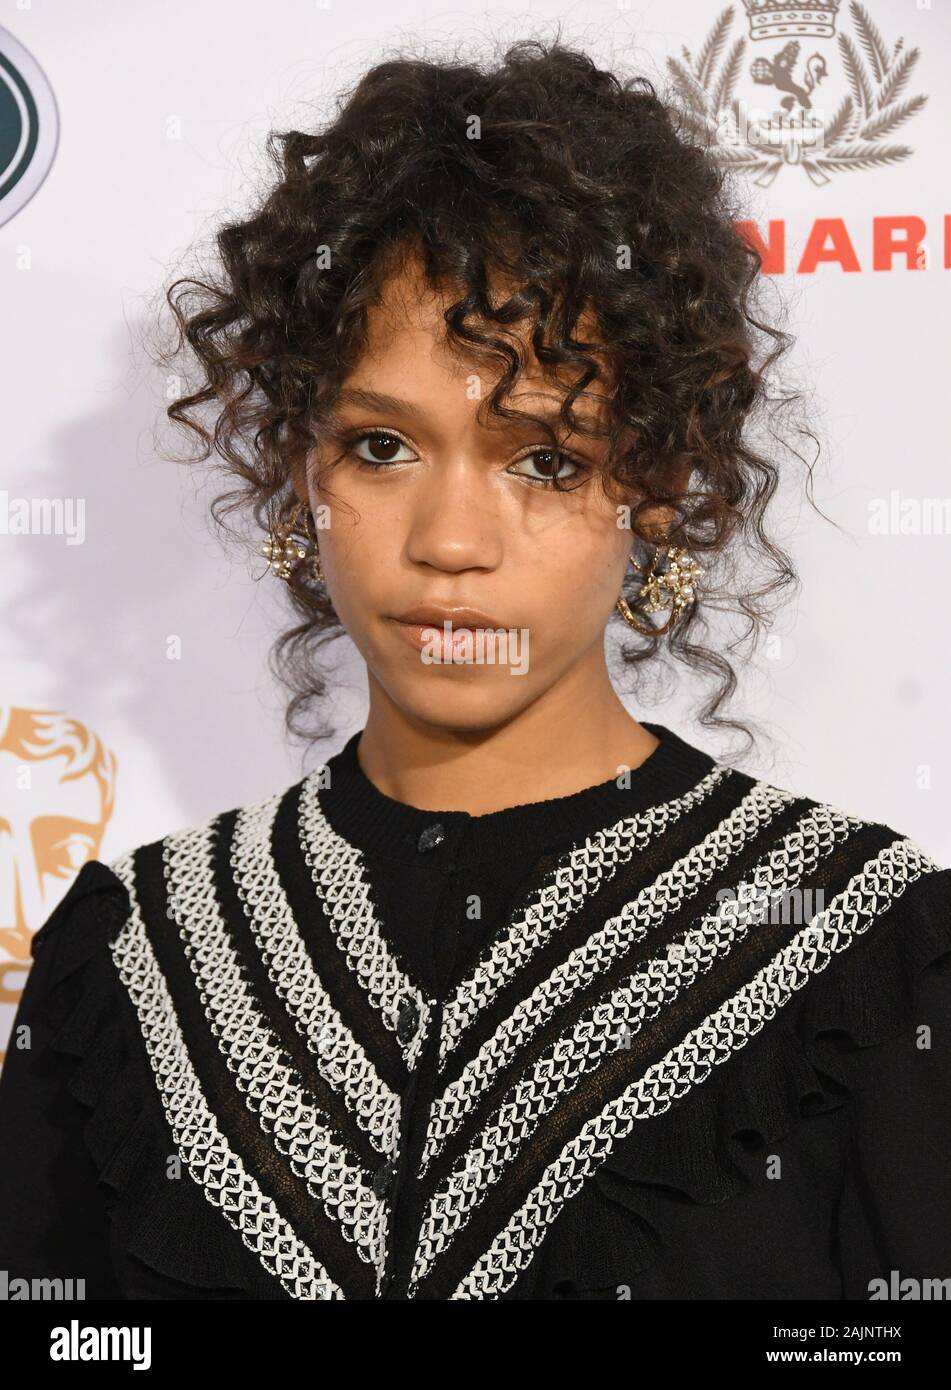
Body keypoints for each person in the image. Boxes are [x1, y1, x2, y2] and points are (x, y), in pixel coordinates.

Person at [1, 39, 949, 1302]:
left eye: (545, 458)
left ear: (658, 484)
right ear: (300, 468)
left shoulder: (862, 953)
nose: (449, 542)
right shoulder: (135, 952)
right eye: (382, 445)